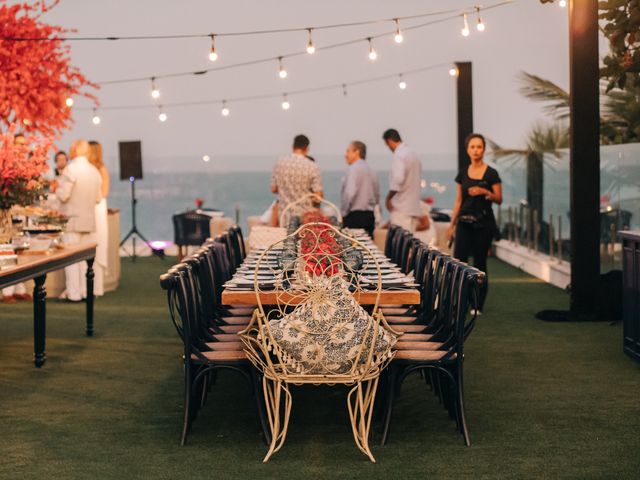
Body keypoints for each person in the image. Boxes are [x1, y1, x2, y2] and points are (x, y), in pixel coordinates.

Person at [447, 133, 502, 314]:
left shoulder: (491, 173)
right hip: (463, 222)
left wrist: (484, 191)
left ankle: (477, 304)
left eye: (479, 147)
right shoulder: (462, 174)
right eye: (472, 147)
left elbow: (499, 198)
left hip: (483, 224)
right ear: (467, 150)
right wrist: (451, 225)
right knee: (460, 263)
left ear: (484, 150)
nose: (476, 150)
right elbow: (458, 201)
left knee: (479, 263)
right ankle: (461, 302)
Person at [56, 140, 102, 302]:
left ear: (74, 150)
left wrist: (56, 189)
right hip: (88, 221)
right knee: (85, 260)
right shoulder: (94, 171)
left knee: (71, 259)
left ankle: (73, 293)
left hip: (72, 221)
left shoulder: (71, 169)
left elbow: (63, 195)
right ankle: (85, 291)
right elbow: (98, 198)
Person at [2, 133, 31, 303]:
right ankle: (7, 291)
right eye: (19, 144)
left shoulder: (26, 165)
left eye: (24, 145)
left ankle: (20, 288)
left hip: (23, 212)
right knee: (8, 249)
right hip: (8, 211)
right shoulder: (7, 163)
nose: (22, 148)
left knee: (21, 249)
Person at [271, 134, 323, 226]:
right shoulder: (312, 166)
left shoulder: (279, 164)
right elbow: (318, 197)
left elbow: (273, 189)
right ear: (307, 148)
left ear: (293, 147)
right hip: (305, 219)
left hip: (285, 216)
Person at [382, 129, 422, 232]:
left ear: (389, 141)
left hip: (402, 209)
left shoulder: (399, 155)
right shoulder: (413, 154)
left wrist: (388, 198)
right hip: (413, 207)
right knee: (410, 243)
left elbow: (398, 180)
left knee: (400, 244)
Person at [341, 141, 379, 237]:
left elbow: (350, 193)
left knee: (352, 248)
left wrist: (343, 213)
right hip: (370, 216)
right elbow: (376, 195)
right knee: (367, 249)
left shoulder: (353, 169)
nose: (346, 155)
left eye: (348, 151)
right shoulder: (371, 170)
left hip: (355, 217)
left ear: (356, 152)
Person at [88, 141, 109, 297]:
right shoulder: (88, 169)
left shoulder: (102, 169)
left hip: (98, 207)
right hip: (88, 206)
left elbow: (104, 192)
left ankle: (97, 286)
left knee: (99, 242)